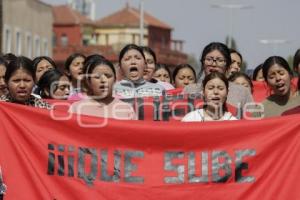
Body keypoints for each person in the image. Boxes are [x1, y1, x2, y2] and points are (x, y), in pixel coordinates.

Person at [184, 42, 253, 110]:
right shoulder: (189, 90)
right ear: (202, 63)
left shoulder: (242, 92)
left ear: (228, 65)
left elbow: (252, 119)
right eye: (209, 59)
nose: (214, 64)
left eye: (220, 60)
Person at [69, 58, 136, 119]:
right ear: (89, 81)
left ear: (115, 80)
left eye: (108, 76)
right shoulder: (76, 109)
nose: (103, 80)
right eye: (97, 77)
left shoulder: (127, 109)